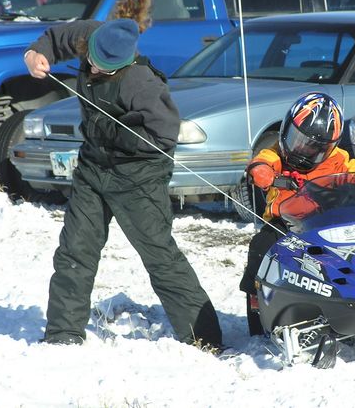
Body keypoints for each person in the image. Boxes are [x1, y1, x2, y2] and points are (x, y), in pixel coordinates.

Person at [24, 18, 222, 348]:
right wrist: (34, 54)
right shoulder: (88, 36)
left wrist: (115, 132)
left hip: (138, 177)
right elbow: (54, 38)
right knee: (75, 250)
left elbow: (163, 135)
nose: (95, 70)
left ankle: (204, 338)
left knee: (160, 257)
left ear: (125, 62)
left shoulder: (142, 82)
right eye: (93, 63)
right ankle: (62, 335)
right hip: (93, 170)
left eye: (105, 69)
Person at [239, 92, 355, 335]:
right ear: (287, 130)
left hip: (326, 223)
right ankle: (257, 304)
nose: (303, 150)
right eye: (299, 140)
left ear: (330, 148)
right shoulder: (275, 153)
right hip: (284, 224)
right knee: (259, 246)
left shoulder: (339, 159)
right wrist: (262, 172)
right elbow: (261, 162)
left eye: (315, 148)